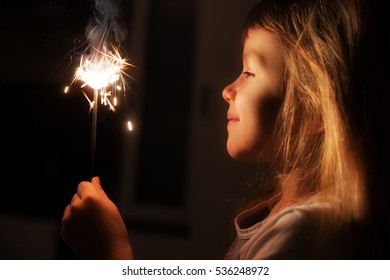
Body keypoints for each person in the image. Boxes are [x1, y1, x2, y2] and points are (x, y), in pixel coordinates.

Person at [61, 0, 388, 259]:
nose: (227, 90)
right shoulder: (279, 213)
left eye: (249, 73)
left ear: (315, 108)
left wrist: (111, 255)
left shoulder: (301, 234)